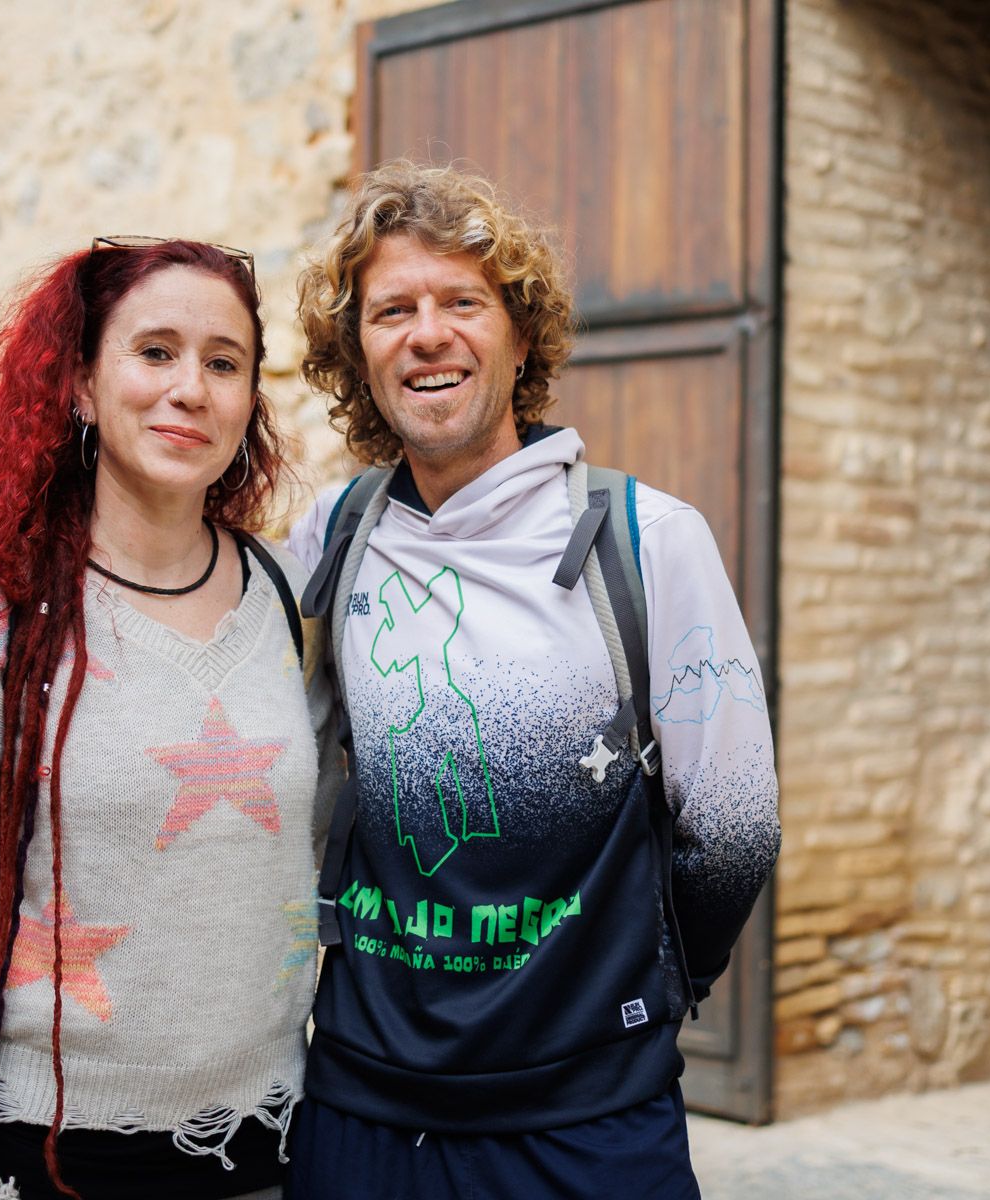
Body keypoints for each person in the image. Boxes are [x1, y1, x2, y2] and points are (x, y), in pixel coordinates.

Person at [281, 161, 782, 1198]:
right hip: (361, 1108)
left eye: (463, 302)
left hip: (587, 1121)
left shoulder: (651, 539)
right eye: (392, 311)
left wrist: (615, 992)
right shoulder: (333, 535)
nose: (427, 334)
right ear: (357, 352)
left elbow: (735, 829)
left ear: (520, 337)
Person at [0, 237, 337, 1200]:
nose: (189, 388)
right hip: (52, 1160)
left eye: (224, 363)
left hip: (270, 1152)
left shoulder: (280, 596)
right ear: (79, 384)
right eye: (154, 352)